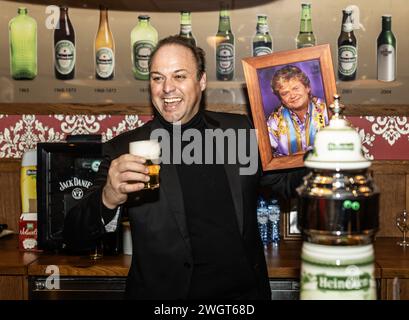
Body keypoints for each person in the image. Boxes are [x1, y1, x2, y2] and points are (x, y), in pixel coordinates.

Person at [64, 35, 303, 300]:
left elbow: (288, 183)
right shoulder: (125, 148)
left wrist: (324, 152)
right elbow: (75, 237)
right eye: (157, 78)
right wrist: (108, 197)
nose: (167, 88)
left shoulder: (240, 131)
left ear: (201, 81)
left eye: (179, 76)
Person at [267, 65, 329, 156]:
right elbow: (268, 157)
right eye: (285, 93)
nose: (292, 96)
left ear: (307, 88)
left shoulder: (327, 111)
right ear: (281, 99)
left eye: (295, 88)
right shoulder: (275, 120)